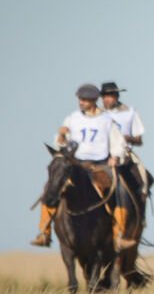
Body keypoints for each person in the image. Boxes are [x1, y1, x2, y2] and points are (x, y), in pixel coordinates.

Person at [32, 84, 129, 249]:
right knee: (51, 187)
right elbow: (60, 144)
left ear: (94, 100)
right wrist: (62, 134)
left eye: (84, 100)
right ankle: (44, 232)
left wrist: (115, 157)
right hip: (75, 164)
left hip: (100, 165)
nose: (81, 102)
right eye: (80, 99)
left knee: (120, 188)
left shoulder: (106, 120)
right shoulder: (73, 118)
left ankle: (119, 234)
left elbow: (118, 142)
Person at [100, 82, 151, 249]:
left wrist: (126, 138)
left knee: (144, 178)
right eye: (105, 96)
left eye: (110, 96)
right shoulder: (98, 115)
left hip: (125, 156)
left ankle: (139, 217)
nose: (107, 99)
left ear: (116, 97)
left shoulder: (129, 112)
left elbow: (140, 139)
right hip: (102, 156)